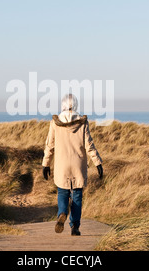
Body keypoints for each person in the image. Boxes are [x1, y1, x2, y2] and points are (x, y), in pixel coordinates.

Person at [41, 94, 103, 236]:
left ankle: (62, 212)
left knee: (62, 192)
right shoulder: (82, 122)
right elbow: (89, 145)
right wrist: (97, 162)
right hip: (78, 165)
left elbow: (49, 145)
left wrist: (46, 164)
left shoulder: (55, 123)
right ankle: (75, 226)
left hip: (62, 165)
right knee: (77, 197)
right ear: (75, 105)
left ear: (62, 105)